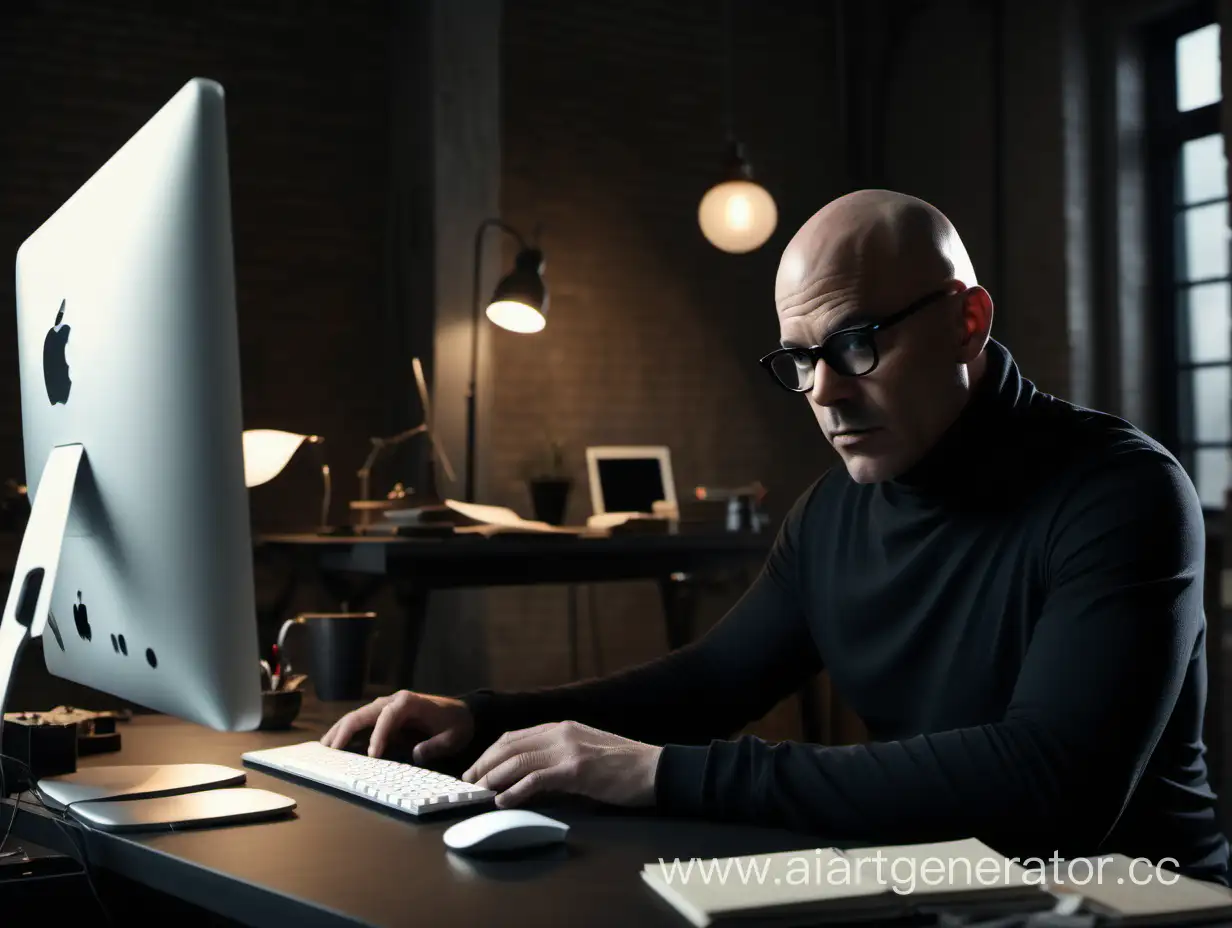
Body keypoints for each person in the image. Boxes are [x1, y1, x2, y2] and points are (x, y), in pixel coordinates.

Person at [323, 189, 1229, 882]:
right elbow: (710, 682)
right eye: (800, 359)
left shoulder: (1120, 491)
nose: (825, 392)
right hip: (946, 887)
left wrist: (664, 776)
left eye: (858, 342)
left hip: (1138, 901)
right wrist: (483, 717)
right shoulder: (833, 512)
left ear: (969, 319)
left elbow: (1048, 787)